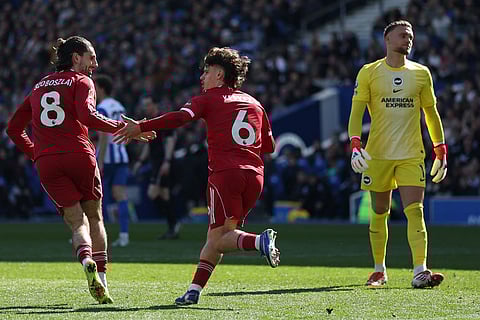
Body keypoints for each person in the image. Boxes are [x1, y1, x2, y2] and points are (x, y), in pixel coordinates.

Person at [114, 47, 280, 305]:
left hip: (225, 175)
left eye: (207, 71)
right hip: (255, 177)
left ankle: (260, 241)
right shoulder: (255, 103)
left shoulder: (209, 99)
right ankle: (193, 291)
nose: (202, 77)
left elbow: (181, 118)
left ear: (220, 74)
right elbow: (269, 147)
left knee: (223, 238)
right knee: (216, 239)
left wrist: (141, 126)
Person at [6, 36, 155, 304]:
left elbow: (13, 129)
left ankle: (85, 257)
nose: (95, 64)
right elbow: (87, 116)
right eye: (92, 57)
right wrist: (124, 129)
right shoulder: (81, 81)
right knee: (95, 218)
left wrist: (36, 154)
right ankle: (103, 279)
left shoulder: (38, 87)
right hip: (79, 154)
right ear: (76, 57)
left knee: (76, 223)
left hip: (48, 162)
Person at [348, 20, 447, 288]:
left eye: (411, 36)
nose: (408, 39)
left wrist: (440, 147)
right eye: (403, 35)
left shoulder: (421, 73)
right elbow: (356, 112)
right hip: (377, 154)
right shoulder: (369, 72)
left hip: (411, 154)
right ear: (387, 40)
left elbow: (431, 113)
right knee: (379, 212)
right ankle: (379, 270)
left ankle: (420, 271)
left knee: (415, 211)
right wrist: (355, 145)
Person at [133, 96, 180, 240]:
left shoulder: (162, 120)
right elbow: (149, 144)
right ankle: (173, 227)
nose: (146, 108)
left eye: (148, 104)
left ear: (154, 104)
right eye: (144, 105)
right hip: (155, 162)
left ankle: (174, 224)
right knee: (164, 194)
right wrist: (140, 161)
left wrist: (167, 161)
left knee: (153, 193)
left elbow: (171, 140)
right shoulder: (149, 122)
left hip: (161, 162)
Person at [95, 74, 132, 247]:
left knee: (91, 197)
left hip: (107, 158)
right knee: (120, 195)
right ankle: (124, 236)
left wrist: (99, 161)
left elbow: (102, 137)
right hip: (121, 156)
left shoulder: (101, 107)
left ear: (101, 88)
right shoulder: (120, 106)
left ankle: (87, 235)